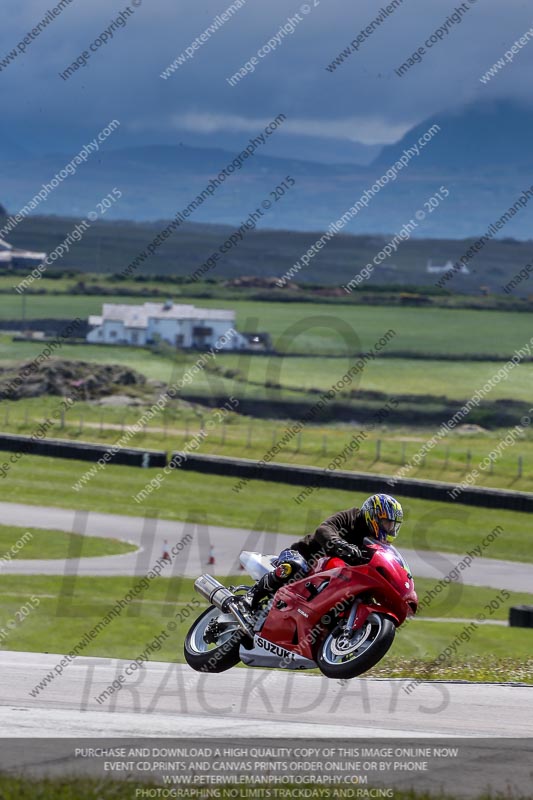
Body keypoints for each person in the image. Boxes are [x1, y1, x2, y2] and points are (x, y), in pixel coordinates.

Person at [246, 493, 403, 609]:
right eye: (386, 523)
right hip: (304, 557)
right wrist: (341, 544)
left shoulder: (375, 544)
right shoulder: (352, 517)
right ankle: (252, 595)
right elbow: (324, 529)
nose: (389, 529)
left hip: (331, 576)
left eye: (392, 525)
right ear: (373, 515)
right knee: (294, 566)